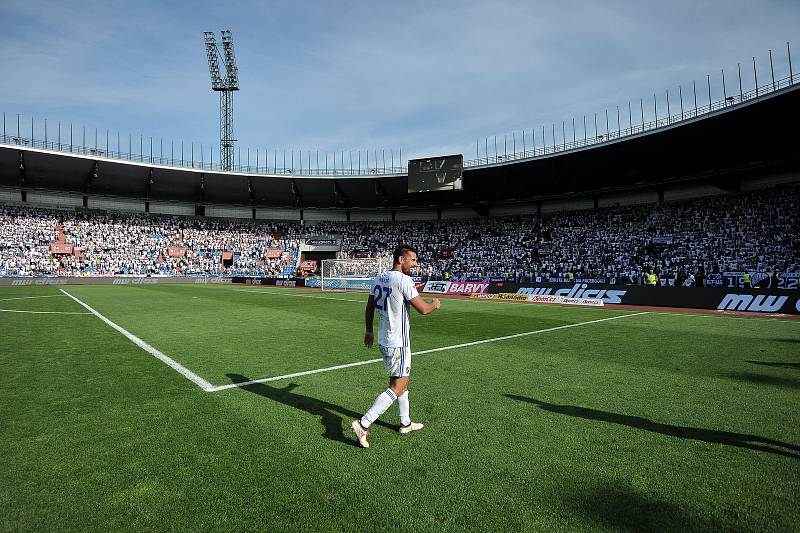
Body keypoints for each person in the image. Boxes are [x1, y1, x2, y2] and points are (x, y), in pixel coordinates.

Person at [351, 244, 441, 448]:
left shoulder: (379, 277)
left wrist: (368, 331)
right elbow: (424, 310)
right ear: (401, 259)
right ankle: (363, 424)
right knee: (397, 385)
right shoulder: (404, 280)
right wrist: (435, 304)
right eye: (413, 260)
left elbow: (369, 306)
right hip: (398, 342)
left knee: (402, 381)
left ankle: (405, 423)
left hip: (384, 339)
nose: (415, 264)